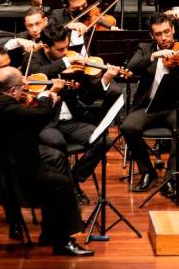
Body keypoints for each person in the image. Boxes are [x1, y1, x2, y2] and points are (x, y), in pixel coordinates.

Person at [0, 66, 93, 256]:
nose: (25, 86)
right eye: (21, 84)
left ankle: (50, 233)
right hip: (12, 173)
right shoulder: (6, 107)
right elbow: (38, 117)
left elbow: (27, 125)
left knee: (55, 165)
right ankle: (63, 242)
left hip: (10, 162)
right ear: (11, 90)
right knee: (62, 184)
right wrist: (47, 95)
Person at [28, 23, 124, 205]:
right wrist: (63, 63)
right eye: (60, 49)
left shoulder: (74, 60)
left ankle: (72, 181)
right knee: (57, 143)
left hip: (70, 120)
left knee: (103, 139)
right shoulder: (34, 58)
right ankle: (61, 190)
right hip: (46, 121)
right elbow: (35, 74)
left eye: (67, 47)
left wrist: (105, 78)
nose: (66, 52)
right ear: (46, 47)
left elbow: (87, 98)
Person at [120, 14, 179, 198]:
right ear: (152, 36)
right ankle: (148, 172)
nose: (164, 38)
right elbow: (132, 66)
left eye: (167, 32)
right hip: (149, 107)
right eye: (159, 34)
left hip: (177, 108)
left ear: (173, 30)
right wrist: (154, 55)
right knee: (128, 127)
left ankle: (172, 178)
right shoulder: (145, 49)